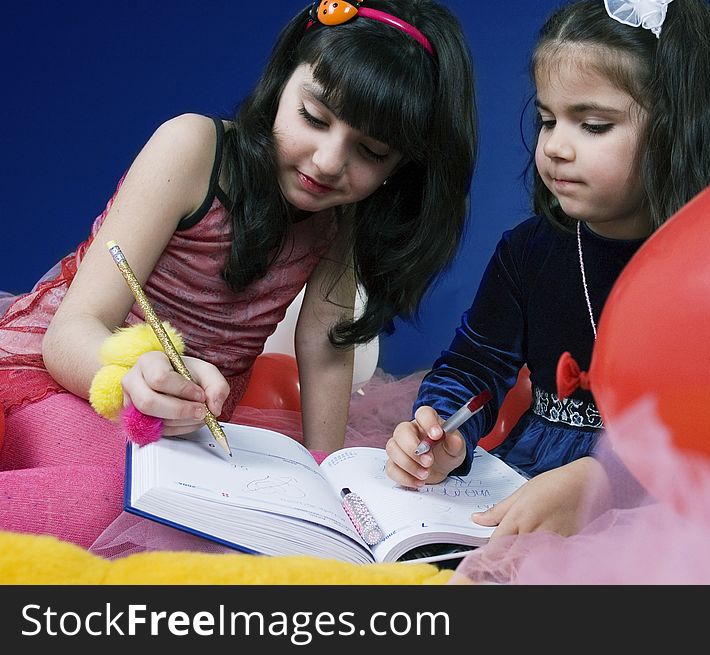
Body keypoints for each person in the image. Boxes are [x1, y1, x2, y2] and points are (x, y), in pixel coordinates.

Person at [0, 0, 476, 549]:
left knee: (242, 519)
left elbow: (324, 348)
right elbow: (71, 333)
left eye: (369, 150)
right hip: (70, 379)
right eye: (314, 118)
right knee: (122, 504)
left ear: (399, 168)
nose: (326, 161)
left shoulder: (341, 215)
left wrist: (325, 474)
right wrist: (132, 381)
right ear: (280, 82)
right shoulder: (195, 148)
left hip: (191, 415)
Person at [385, 0, 710, 542]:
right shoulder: (529, 251)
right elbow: (472, 368)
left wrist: (604, 483)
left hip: (659, 503)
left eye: (591, 125)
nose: (555, 147)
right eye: (546, 120)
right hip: (527, 478)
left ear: (676, 128)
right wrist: (442, 429)